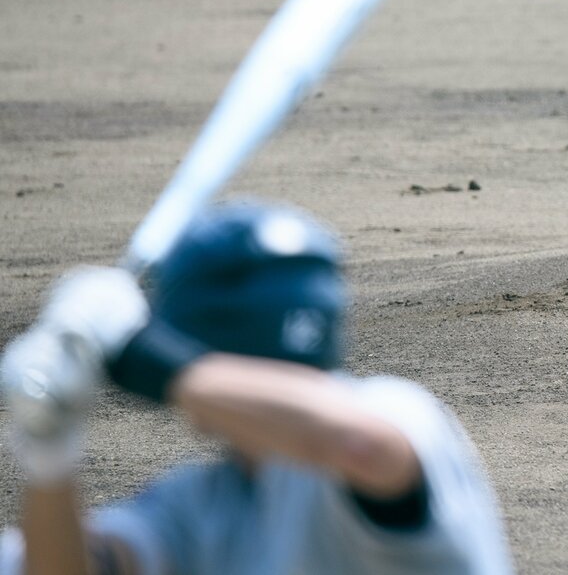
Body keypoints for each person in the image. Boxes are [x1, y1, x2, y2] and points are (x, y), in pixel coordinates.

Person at [1, 201, 515, 574]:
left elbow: (360, 447)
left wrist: (142, 353)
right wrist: (50, 453)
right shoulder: (203, 502)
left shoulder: (393, 410)